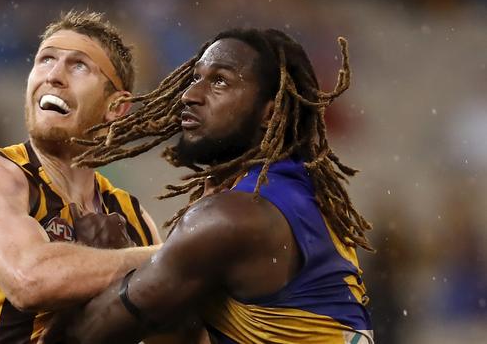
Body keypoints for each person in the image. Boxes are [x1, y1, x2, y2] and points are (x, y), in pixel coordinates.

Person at [64, 28, 374, 343]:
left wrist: (107, 262)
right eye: (195, 78)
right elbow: (183, 331)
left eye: (220, 81)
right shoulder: (302, 195)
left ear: (270, 112)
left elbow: (88, 334)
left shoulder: (235, 216)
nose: (190, 95)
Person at [0, 10, 162, 343]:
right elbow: (29, 281)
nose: (54, 75)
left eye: (79, 65)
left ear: (116, 108)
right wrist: (155, 260)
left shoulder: (134, 218)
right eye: (45, 60)